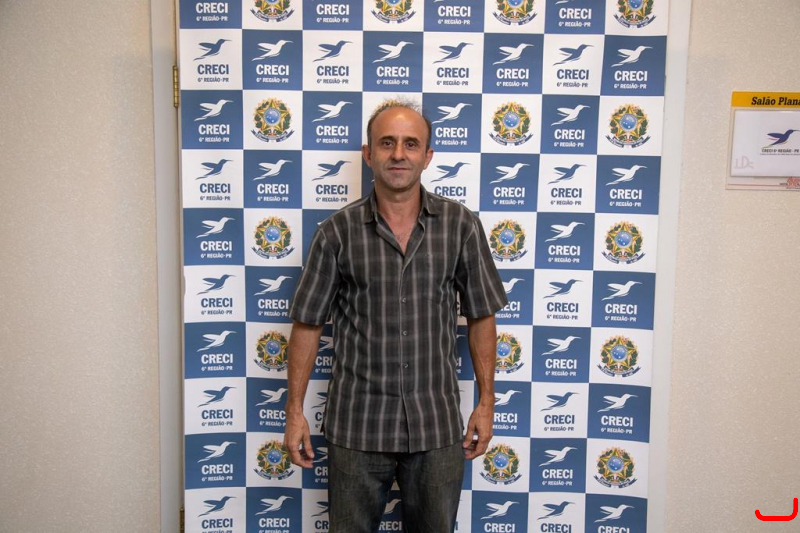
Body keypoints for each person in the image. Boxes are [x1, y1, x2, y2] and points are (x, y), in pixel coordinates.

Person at [284, 99, 508, 532]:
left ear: (428, 155)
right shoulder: (336, 233)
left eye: (411, 144)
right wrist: (294, 411)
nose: (399, 154)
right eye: (387, 143)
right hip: (357, 427)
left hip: (435, 426)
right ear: (368, 154)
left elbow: (482, 316)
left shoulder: (461, 225)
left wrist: (486, 403)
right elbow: (307, 324)